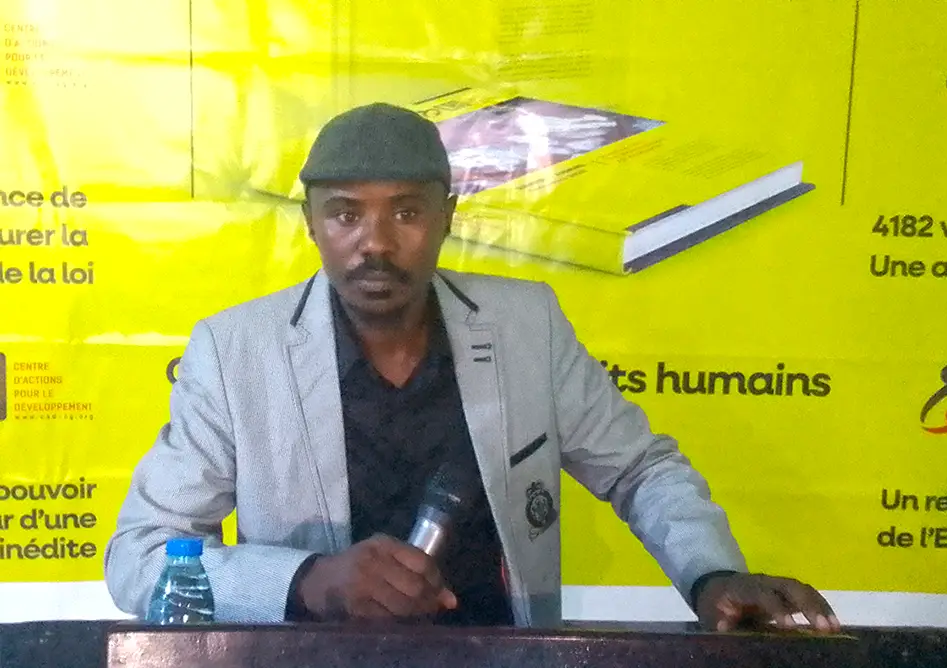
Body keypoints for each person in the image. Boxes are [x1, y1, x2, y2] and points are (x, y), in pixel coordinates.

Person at [104, 103, 840, 632]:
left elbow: (640, 470)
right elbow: (140, 555)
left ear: (448, 216)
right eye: (346, 214)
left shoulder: (526, 327)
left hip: (501, 655)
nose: (375, 243)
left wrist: (712, 576)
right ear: (310, 224)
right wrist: (308, 581)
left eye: (406, 212)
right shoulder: (236, 352)